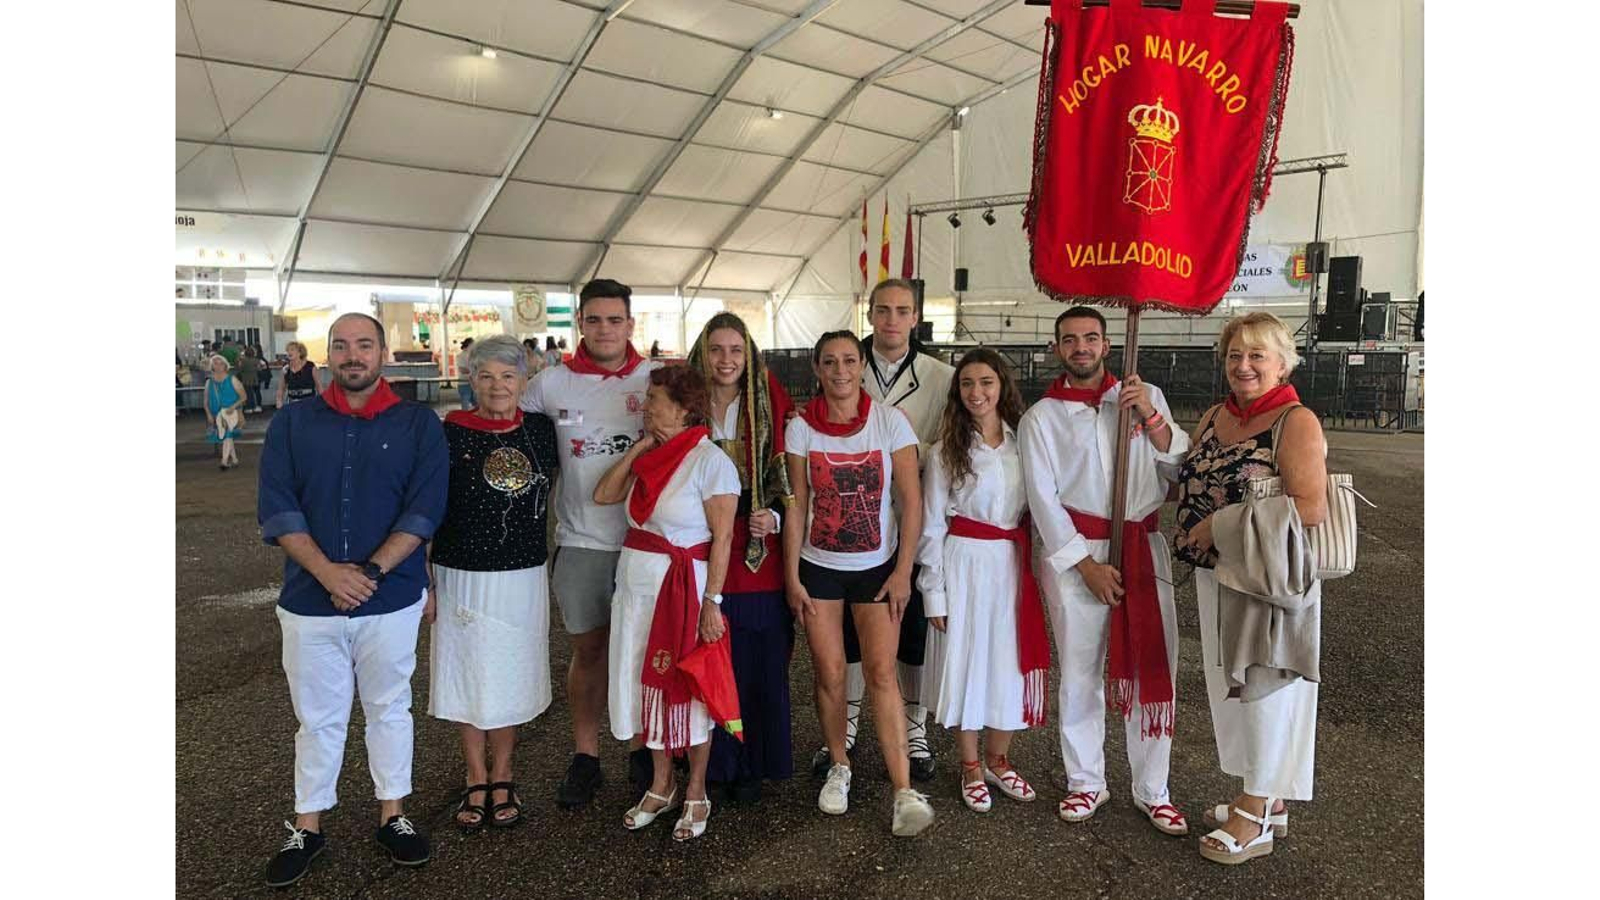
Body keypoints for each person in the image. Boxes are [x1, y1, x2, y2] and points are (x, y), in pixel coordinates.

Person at [255, 313, 447, 888]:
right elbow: (278, 507)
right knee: (318, 720)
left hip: (390, 599)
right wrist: (326, 573)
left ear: (383, 353)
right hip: (310, 602)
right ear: (328, 356)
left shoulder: (417, 423)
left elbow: (425, 507)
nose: (353, 355)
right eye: (341, 346)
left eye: (364, 345)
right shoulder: (293, 423)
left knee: (390, 708)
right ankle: (307, 826)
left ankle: (394, 815)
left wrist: (369, 573)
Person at [1017, 306, 1190, 835]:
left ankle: (1153, 789)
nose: (1081, 348)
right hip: (1076, 553)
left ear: (1107, 345)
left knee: (1151, 664)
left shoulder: (1143, 396)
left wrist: (1151, 418)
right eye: (1070, 339)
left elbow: (1177, 466)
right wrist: (1086, 565)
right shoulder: (1040, 418)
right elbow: (1042, 500)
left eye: (1090, 338)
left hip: (1140, 543)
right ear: (1057, 348)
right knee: (1080, 668)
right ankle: (1086, 780)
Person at [1174, 311, 1328, 865]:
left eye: (1257, 355)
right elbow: (1189, 473)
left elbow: (1309, 507)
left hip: (1268, 582)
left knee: (1267, 688)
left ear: (1283, 363)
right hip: (1218, 575)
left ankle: (1256, 813)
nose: (1244, 365)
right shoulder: (1216, 416)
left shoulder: (1295, 420)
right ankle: (1268, 795)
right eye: (1235, 355)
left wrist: (1218, 525)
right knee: (1231, 688)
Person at [518, 278, 663, 807]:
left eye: (615, 320)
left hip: (649, 542)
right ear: (580, 322)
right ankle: (586, 755)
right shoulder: (549, 385)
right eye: (595, 320)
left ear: (630, 324)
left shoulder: (656, 379)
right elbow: (507, 431)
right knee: (590, 651)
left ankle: (644, 748)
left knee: (644, 649)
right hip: (581, 542)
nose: (605, 330)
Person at [784, 330, 935, 837]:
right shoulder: (801, 429)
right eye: (830, 362)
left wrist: (903, 572)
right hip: (819, 567)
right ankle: (839, 764)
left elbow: (911, 501)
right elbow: (797, 503)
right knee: (829, 673)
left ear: (862, 366)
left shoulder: (890, 422)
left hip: (876, 567)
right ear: (817, 369)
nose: (841, 371)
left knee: (881, 673)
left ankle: (903, 790)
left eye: (850, 360)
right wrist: (791, 575)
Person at [814, 279, 954, 782]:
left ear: (916, 317)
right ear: (869, 314)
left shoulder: (942, 376)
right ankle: (847, 725)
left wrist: (906, 456)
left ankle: (914, 729)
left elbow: (950, 444)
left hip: (917, 514)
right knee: (852, 628)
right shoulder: (846, 364)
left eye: (902, 310)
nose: (892, 319)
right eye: (883, 310)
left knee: (913, 623)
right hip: (856, 520)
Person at [592, 365, 740, 841]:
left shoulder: (709, 461)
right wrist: (640, 449)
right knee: (644, 683)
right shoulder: (650, 456)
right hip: (638, 590)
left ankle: (696, 788)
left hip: (685, 590)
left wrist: (712, 601)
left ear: (682, 408)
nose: (646, 405)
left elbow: (722, 539)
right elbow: (604, 494)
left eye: (654, 398)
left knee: (687, 687)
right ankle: (661, 784)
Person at [425, 335, 558, 832]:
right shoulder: (449, 433)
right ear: (471, 381)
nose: (497, 386)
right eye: (486, 376)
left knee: (511, 671)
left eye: (507, 376)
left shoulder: (541, 431)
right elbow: (426, 505)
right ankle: (474, 774)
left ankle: (503, 772)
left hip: (522, 573)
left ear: (524, 381)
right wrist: (423, 575)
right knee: (467, 673)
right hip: (461, 572)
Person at [917, 348, 1044, 813]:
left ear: (1001, 386)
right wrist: (934, 593)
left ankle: (998, 760)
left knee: (1008, 662)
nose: (977, 392)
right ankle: (970, 765)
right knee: (967, 662)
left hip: (1010, 563)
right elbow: (931, 524)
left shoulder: (1023, 442)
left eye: (986, 382)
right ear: (957, 391)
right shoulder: (946, 450)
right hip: (964, 564)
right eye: (967, 383)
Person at [685, 313, 796, 804]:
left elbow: (790, 476)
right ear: (703, 352)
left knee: (757, 656)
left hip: (755, 548)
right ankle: (709, 761)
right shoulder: (686, 400)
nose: (726, 360)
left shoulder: (771, 398)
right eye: (716, 349)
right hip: (698, 538)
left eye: (735, 350)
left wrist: (775, 516)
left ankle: (752, 761)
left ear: (748, 355)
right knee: (707, 654)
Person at [205, 354, 246, 470]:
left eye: (221, 363)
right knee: (228, 436)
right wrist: (208, 414)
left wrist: (233, 407)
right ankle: (234, 459)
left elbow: (244, 397)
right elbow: (205, 401)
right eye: (215, 363)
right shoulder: (209, 382)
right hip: (217, 414)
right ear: (212, 366)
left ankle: (224, 461)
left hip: (231, 413)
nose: (218, 366)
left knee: (227, 434)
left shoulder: (232, 379)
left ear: (225, 366)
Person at [277, 341, 320, 407]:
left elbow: (319, 386)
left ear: (300, 352)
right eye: (287, 350)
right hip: (292, 405)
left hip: (309, 404)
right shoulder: (286, 369)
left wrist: (323, 403)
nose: (289, 352)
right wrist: (279, 402)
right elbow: (281, 389)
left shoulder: (310, 366)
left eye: (292, 350)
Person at [238, 346, 264, 413]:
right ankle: (257, 407)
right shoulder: (256, 360)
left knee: (248, 394)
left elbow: (240, 369)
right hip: (255, 378)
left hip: (246, 379)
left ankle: (249, 408)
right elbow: (259, 369)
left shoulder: (243, 360)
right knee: (256, 393)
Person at [457, 338, 476, 410]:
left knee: (476, 403)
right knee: (465, 404)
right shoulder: (461, 356)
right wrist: (473, 371)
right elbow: (461, 369)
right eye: (473, 345)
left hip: (472, 382)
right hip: (464, 383)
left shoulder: (472, 355)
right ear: (469, 345)